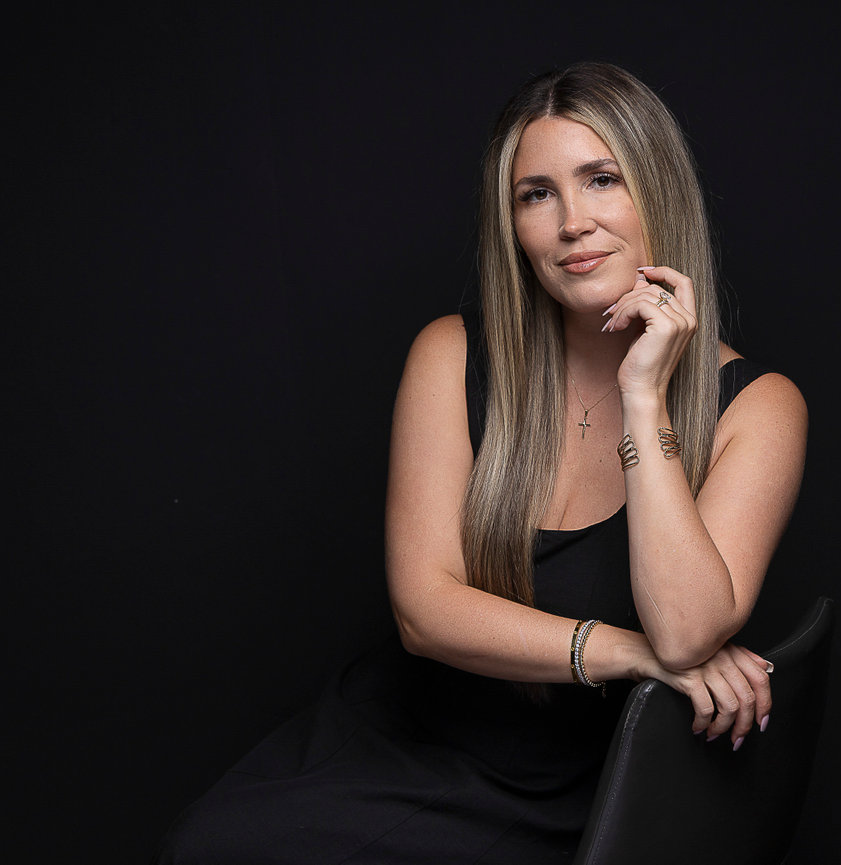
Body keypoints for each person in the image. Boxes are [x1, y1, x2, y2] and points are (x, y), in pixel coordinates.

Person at [154, 60, 807, 864]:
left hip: (580, 788)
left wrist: (645, 396)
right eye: (537, 194)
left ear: (659, 190)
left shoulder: (759, 406)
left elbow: (684, 634)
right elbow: (425, 611)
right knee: (206, 847)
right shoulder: (450, 354)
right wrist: (626, 650)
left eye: (602, 179)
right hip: (407, 737)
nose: (572, 222)